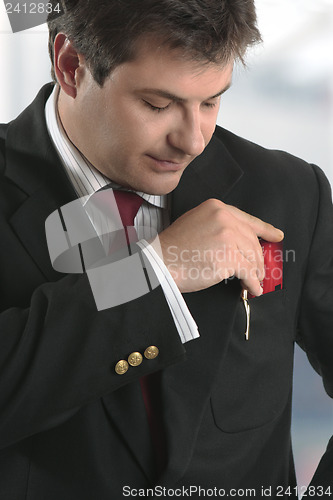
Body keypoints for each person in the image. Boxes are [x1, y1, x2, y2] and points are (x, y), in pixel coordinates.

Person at [0, 0, 332, 498]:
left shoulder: (289, 190)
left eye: (212, 101)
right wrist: (155, 272)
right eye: (157, 105)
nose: (193, 140)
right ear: (71, 66)